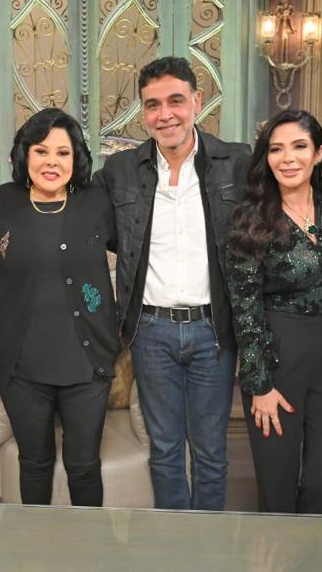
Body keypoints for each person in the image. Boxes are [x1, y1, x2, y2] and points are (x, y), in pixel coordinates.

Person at [97, 56, 250, 510]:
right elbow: (91, 224)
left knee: (210, 453)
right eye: (152, 105)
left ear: (197, 102)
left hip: (213, 330)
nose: (165, 115)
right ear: (143, 112)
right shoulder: (121, 171)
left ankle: (207, 542)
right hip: (151, 332)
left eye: (176, 101)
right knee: (164, 451)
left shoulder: (236, 162)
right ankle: (174, 542)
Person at [0, 108, 119, 506]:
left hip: (88, 362)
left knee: (84, 466)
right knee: (34, 462)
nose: (51, 162)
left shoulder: (97, 203)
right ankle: (35, 543)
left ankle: (86, 543)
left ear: (77, 158)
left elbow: (137, 252)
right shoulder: (1, 204)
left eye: (63, 152)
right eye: (41, 151)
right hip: (21, 365)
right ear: (25, 155)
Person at [225, 110, 322, 513]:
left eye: (299, 147)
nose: (287, 158)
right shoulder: (250, 218)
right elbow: (244, 308)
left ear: (318, 153)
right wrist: (259, 385)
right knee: (277, 488)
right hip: (279, 361)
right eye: (276, 149)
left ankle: (310, 548)